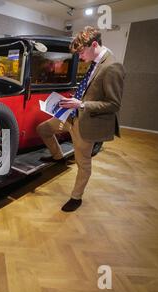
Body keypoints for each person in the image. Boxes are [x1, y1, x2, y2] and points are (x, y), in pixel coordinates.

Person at [36, 26, 125, 212]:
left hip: (86, 122)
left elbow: (114, 104)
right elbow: (88, 89)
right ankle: (58, 157)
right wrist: (72, 101)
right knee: (43, 129)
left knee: (82, 162)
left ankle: (76, 197)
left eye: (81, 52)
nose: (80, 56)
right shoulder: (95, 62)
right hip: (70, 116)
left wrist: (81, 105)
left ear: (94, 44)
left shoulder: (113, 67)